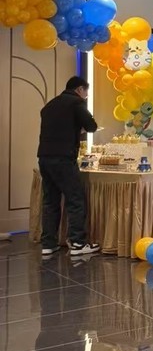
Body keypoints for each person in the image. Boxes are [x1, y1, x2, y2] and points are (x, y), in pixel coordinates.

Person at [37, 75, 99, 259]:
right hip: (63, 158)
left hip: (44, 157)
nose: (86, 96)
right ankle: (78, 243)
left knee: (50, 201)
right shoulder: (76, 103)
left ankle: (48, 244)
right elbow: (91, 126)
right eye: (86, 92)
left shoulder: (50, 105)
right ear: (80, 89)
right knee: (75, 199)